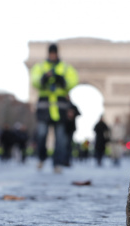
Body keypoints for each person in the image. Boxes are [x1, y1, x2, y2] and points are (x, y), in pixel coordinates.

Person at [31, 43, 79, 173]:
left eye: (54, 53)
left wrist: (61, 80)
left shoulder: (65, 68)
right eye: (51, 53)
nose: (52, 55)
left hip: (60, 109)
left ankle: (57, 163)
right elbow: (34, 80)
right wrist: (44, 79)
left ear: (57, 53)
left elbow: (73, 81)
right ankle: (41, 157)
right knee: (41, 135)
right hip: (45, 108)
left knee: (60, 139)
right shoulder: (40, 67)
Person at [65, 98, 80, 167]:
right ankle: (61, 160)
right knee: (62, 145)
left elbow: (79, 113)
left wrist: (73, 112)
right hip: (63, 127)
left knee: (68, 145)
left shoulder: (73, 106)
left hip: (70, 128)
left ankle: (67, 160)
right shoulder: (62, 104)